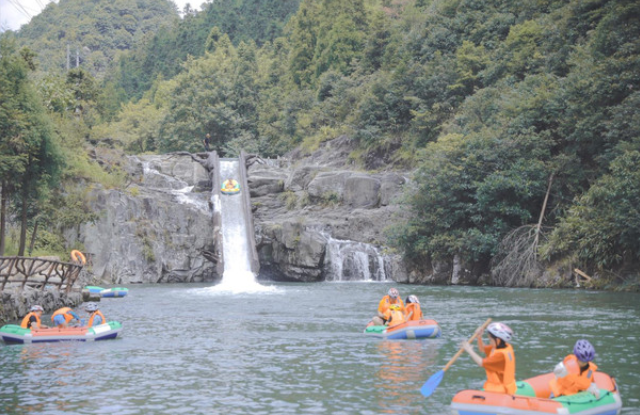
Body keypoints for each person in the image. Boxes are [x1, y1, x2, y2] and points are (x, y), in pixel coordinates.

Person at [461, 322, 516, 394]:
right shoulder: (503, 347)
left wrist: (469, 350)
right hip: (504, 388)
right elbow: (482, 349)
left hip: (500, 392)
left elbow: (481, 363)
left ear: (498, 340)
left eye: (490, 340)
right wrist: (479, 337)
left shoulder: (500, 356)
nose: (489, 341)